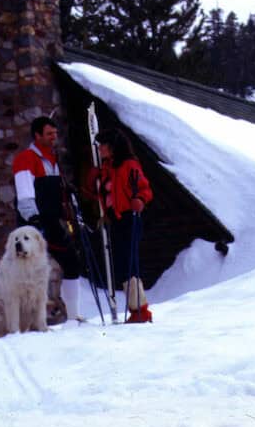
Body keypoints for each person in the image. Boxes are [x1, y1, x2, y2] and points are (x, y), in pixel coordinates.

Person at [12, 116, 82, 322]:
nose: (54, 137)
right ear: (37, 135)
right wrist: (32, 219)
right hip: (33, 225)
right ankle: (26, 321)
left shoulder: (53, 159)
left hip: (52, 222)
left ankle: (73, 315)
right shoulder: (26, 158)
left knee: (72, 262)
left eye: (56, 133)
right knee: (30, 273)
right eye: (49, 134)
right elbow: (24, 192)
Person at [92, 128, 154, 323]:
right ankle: (138, 308)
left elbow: (144, 188)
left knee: (128, 262)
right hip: (117, 219)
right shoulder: (108, 168)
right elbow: (102, 193)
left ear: (112, 147)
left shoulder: (128, 165)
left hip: (130, 216)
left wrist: (140, 199)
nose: (100, 149)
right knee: (124, 263)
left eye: (103, 145)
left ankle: (140, 310)